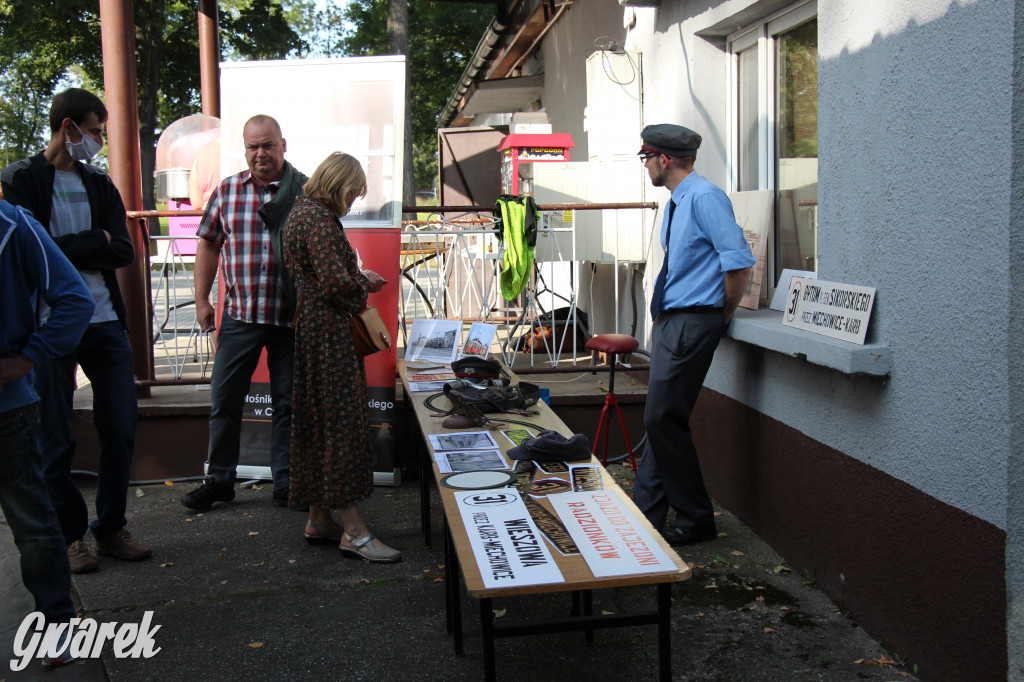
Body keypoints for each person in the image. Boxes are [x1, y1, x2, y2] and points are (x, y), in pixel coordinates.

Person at [1, 88, 151, 573]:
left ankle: (110, 529)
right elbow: (30, 251)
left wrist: (70, 245)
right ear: (67, 127)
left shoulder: (99, 183)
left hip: (105, 323)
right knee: (54, 436)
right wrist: (94, 240)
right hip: (47, 329)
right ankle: (70, 537)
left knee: (121, 426)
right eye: (93, 131)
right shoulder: (20, 180)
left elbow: (123, 252)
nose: (97, 141)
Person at [631, 124, 755, 547]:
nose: (645, 165)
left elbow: (738, 264)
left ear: (663, 159)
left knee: (662, 418)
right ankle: (646, 515)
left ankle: (697, 518)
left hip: (692, 320)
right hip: (674, 319)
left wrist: (719, 314)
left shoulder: (703, 198)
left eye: (646, 157)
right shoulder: (679, 202)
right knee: (661, 419)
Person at [180, 115, 307, 512]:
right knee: (226, 400)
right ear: (245, 149)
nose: (260, 153)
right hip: (239, 315)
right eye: (253, 147)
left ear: (283, 145)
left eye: (267, 145)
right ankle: (219, 480)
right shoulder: (228, 190)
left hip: (291, 317)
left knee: (289, 403)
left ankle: (286, 482)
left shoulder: (304, 191)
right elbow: (208, 245)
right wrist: (203, 301)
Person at [282, 152, 401, 563]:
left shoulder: (302, 213)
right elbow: (335, 284)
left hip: (314, 330)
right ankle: (355, 531)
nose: (352, 201)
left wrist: (351, 279)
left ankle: (319, 518)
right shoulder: (317, 219)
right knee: (339, 426)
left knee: (319, 422)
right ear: (338, 184)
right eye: (352, 192)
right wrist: (363, 281)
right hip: (329, 334)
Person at [0, 200, 93, 664]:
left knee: (33, 521)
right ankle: (57, 627)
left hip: (8, 405)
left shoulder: (13, 224)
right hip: (11, 401)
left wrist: (25, 359)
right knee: (33, 520)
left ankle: (57, 625)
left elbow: (76, 301)